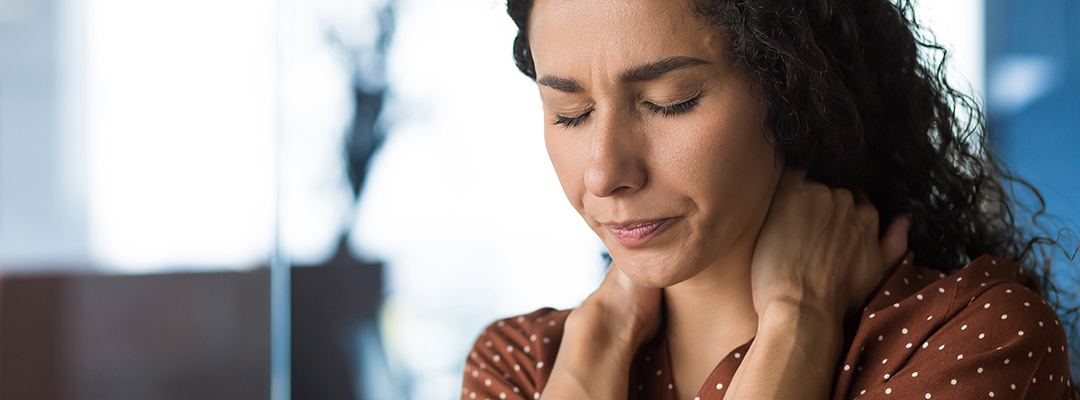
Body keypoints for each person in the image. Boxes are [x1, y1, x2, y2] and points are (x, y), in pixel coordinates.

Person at [461, 0, 1078, 399]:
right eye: (570, 113)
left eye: (669, 101)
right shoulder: (520, 368)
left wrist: (798, 324)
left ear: (795, 91)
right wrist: (593, 346)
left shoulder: (972, 344)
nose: (603, 174)